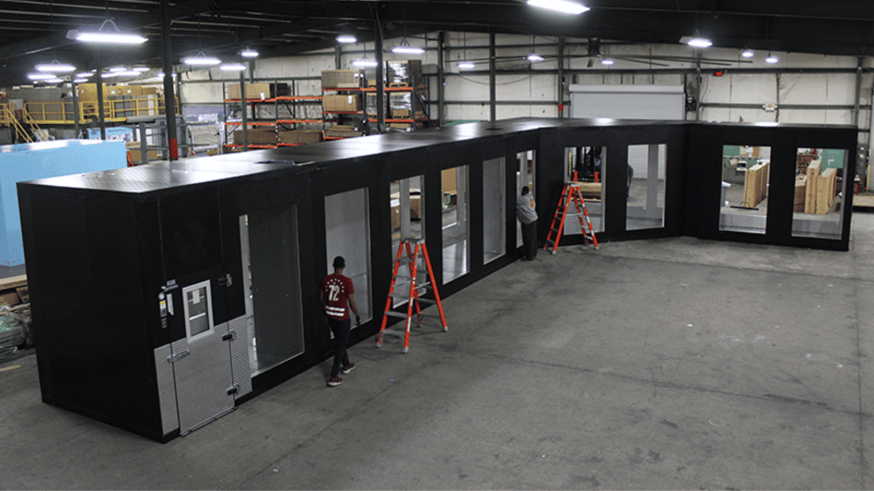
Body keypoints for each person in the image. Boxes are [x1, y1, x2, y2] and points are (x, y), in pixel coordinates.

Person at [320, 256, 361, 387]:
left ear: (333, 266)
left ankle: (347, 365)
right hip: (343, 318)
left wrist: (325, 310)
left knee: (339, 341)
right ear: (343, 267)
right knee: (340, 345)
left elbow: (321, 298)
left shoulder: (325, 280)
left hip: (331, 317)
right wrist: (357, 315)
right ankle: (333, 376)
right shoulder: (346, 281)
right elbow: (351, 301)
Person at [516, 186, 538, 260]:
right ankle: (534, 252)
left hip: (528, 221)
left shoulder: (522, 199)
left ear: (523, 192)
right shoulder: (530, 197)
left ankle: (529, 256)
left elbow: (513, 202)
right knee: (533, 237)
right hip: (533, 218)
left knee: (528, 238)